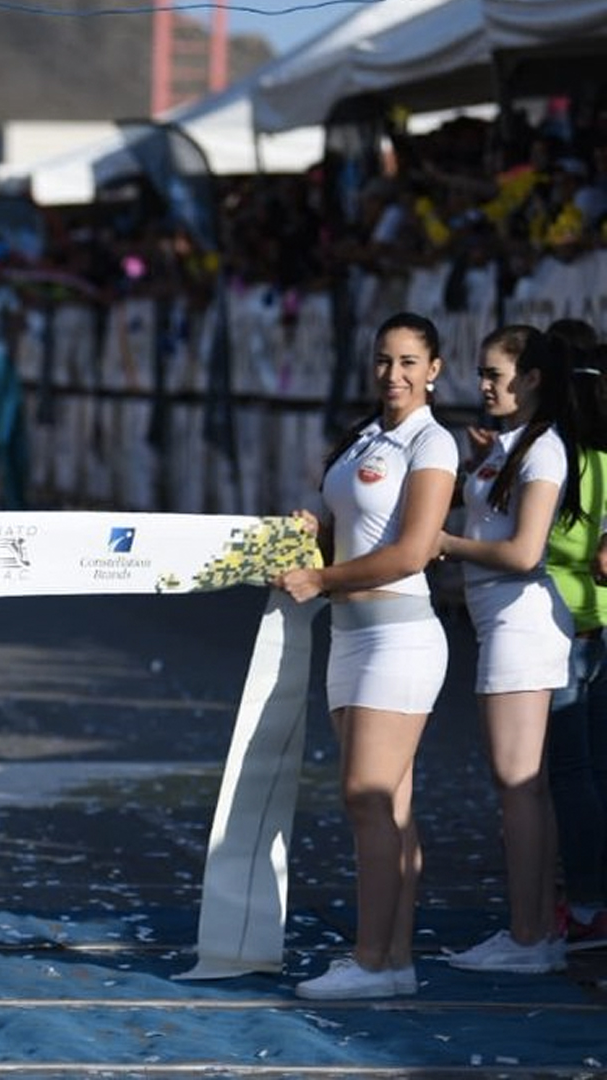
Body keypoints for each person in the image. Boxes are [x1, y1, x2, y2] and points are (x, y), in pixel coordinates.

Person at [274, 312, 458, 1000]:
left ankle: (374, 961)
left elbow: (413, 551)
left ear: (436, 368)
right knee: (388, 806)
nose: (394, 374)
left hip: (400, 637)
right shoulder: (365, 436)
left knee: (366, 798)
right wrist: (310, 533)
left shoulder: (433, 443)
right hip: (349, 636)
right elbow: (347, 527)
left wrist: (319, 578)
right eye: (385, 360)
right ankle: (395, 960)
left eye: (410, 362)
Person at [437, 325, 579, 975]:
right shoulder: (512, 445)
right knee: (525, 786)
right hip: (503, 627)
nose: (484, 385)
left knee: (519, 785)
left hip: (522, 629)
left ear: (532, 379)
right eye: (483, 373)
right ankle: (534, 933)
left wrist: (445, 543)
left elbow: (524, 553)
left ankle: (529, 939)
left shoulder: (544, 448)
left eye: (496, 375)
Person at [544, 325, 607, 951]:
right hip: (597, 622)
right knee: (593, 770)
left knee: (567, 774)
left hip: (561, 625)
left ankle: (585, 903)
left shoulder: (554, 454)